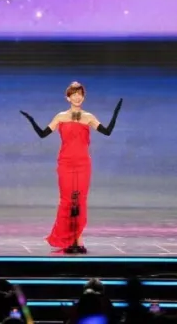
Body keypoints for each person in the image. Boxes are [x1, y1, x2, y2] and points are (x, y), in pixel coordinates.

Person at [20, 82, 122, 252]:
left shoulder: (88, 117)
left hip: (83, 163)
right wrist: (31, 120)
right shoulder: (60, 117)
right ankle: (67, 240)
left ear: (83, 97)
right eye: (73, 94)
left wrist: (116, 112)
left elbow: (107, 131)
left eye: (80, 94)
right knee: (67, 201)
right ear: (68, 97)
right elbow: (43, 134)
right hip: (66, 163)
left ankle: (78, 240)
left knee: (79, 201)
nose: (77, 97)